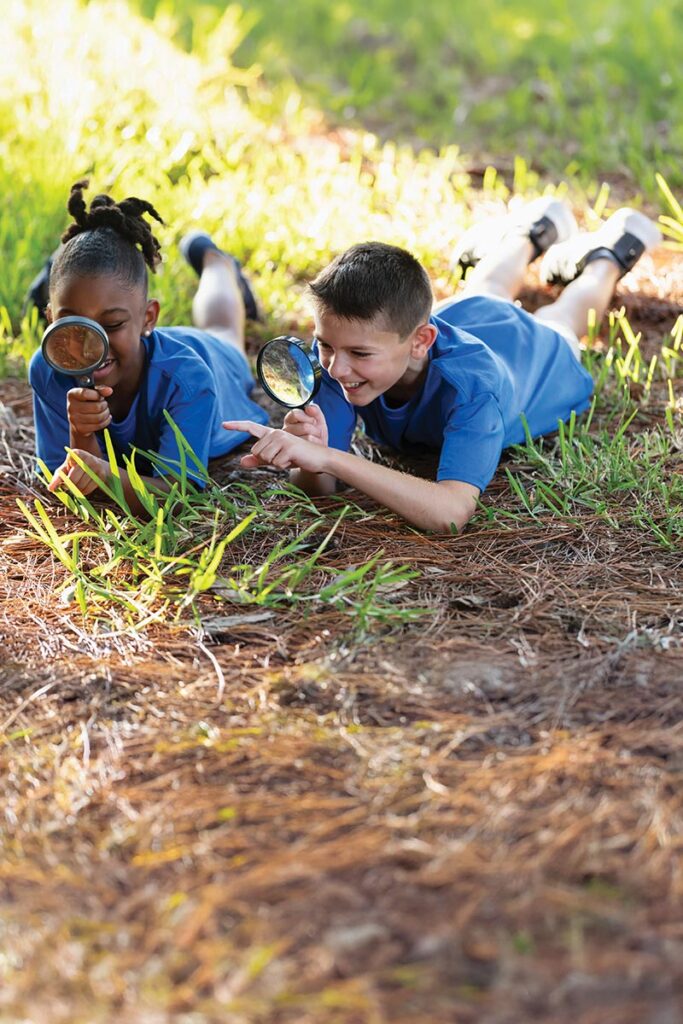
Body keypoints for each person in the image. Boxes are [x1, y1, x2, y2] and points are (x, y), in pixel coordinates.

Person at [222, 197, 661, 532]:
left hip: (533, 357)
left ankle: (611, 252)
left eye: (359, 354)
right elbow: (319, 492)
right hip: (468, 315)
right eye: (324, 345)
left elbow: (451, 512)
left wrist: (331, 459)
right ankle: (533, 230)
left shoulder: (472, 390)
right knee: (484, 287)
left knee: (562, 317)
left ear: (420, 341)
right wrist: (311, 462)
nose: (336, 369)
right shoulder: (343, 362)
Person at [29, 180, 268, 513]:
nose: (89, 346)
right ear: (51, 318)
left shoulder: (189, 378)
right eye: (73, 325)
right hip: (150, 349)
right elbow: (66, 481)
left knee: (224, 330)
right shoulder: (48, 367)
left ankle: (217, 262)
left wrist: (106, 476)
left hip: (208, 356)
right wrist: (80, 435)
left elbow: (177, 495)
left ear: (148, 317)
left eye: (111, 325)